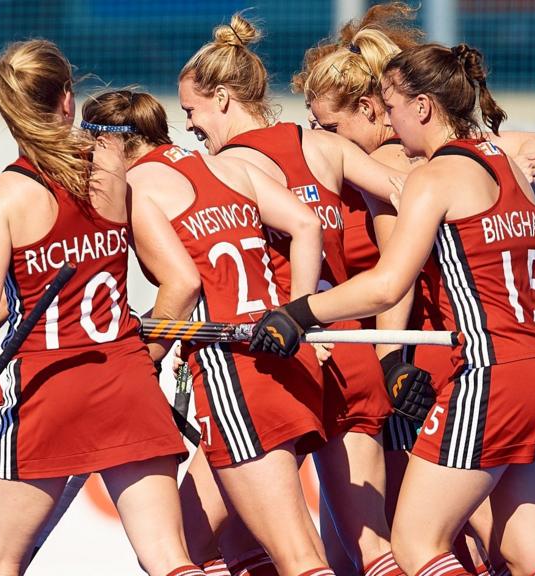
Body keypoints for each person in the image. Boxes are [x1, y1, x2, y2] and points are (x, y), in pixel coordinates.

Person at [251, 43, 535, 576]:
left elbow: (386, 285)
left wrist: (299, 313)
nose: (390, 121)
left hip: (492, 371)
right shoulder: (503, 162)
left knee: (413, 545)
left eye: (392, 105)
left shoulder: (432, 176)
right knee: (533, 557)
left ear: (423, 107)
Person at [0, 40, 203, 576]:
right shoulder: (114, 169)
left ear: (7, 111)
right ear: (67, 100)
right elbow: (182, 279)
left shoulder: (2, 195)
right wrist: (152, 351)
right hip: (124, 379)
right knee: (169, 560)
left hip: (46, 392)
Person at [177, 12, 414, 576]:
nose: (187, 124)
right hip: (348, 349)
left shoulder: (226, 167)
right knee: (371, 550)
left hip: (278, 362)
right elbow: (412, 190)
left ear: (224, 98)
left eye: (191, 110)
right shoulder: (324, 146)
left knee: (188, 542)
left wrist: (295, 317)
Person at [83, 88, 339, 576]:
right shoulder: (226, 164)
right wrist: (297, 317)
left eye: (90, 148)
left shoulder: (135, 186)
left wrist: (147, 357)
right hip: (286, 363)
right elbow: (307, 224)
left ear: (111, 142)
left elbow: (183, 285)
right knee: (195, 543)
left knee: (298, 555)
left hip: (234, 372)